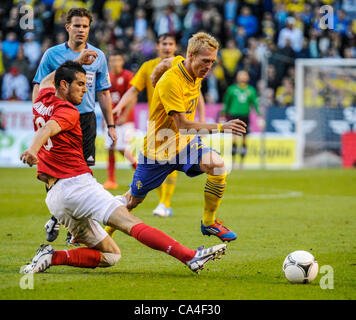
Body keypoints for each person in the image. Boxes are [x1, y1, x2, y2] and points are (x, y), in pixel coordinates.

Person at [20, 59, 227, 275]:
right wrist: (33, 150)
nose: (85, 89)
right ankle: (190, 256)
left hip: (55, 199)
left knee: (111, 255)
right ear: (64, 85)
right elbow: (48, 130)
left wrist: (75, 64)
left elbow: (46, 80)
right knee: (129, 222)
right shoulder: (68, 111)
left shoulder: (42, 99)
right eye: (80, 84)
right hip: (76, 186)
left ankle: (52, 256)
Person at [114, 32, 247, 243]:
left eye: (212, 62)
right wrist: (222, 127)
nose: (209, 66)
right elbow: (184, 126)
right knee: (132, 201)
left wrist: (154, 78)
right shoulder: (172, 82)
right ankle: (103, 232)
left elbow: (165, 62)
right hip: (159, 148)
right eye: (205, 61)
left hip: (184, 145)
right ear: (191, 55)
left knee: (218, 166)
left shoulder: (185, 66)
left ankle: (209, 223)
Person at [32, 8, 117, 245]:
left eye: (85, 26)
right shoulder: (51, 54)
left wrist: (111, 124)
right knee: (54, 173)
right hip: (57, 119)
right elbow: (39, 85)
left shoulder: (98, 55)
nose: (81, 30)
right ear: (67, 27)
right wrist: (38, 113)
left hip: (85, 119)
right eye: (77, 25)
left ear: (89, 29)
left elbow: (103, 92)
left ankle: (70, 225)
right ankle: (57, 217)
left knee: (83, 173)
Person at [107, 33, 205, 221]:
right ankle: (140, 201)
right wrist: (119, 107)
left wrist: (200, 119)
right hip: (158, 123)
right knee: (159, 165)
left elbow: (197, 94)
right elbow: (134, 90)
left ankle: (165, 203)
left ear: (175, 46)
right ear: (158, 46)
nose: (167, 47)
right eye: (164, 44)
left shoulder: (184, 65)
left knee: (174, 161)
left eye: (170, 44)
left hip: (180, 122)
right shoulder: (148, 67)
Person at [102, 50, 137, 190]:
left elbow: (132, 97)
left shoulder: (128, 76)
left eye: (118, 60)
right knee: (110, 148)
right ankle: (111, 180)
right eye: (113, 61)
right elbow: (104, 99)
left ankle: (139, 170)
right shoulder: (107, 77)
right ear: (109, 63)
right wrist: (104, 119)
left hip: (125, 120)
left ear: (122, 62)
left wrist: (124, 115)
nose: (115, 63)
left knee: (122, 148)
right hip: (111, 120)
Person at [222, 70, 263, 169]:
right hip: (234, 116)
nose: (242, 76)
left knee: (244, 140)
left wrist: (259, 115)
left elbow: (255, 104)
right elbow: (227, 103)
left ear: (248, 77)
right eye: (240, 74)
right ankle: (233, 162)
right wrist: (223, 113)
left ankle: (242, 163)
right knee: (234, 139)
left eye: (244, 74)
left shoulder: (251, 90)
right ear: (237, 77)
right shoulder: (232, 89)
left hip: (245, 117)